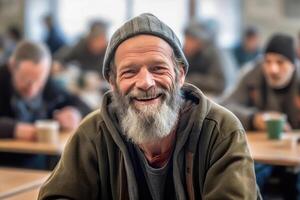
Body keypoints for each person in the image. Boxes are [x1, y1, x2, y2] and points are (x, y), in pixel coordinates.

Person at [39, 13, 259, 199]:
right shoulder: (93, 133)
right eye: (130, 72)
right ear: (112, 83)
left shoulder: (220, 131)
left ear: (180, 74)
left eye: (158, 68)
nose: (145, 82)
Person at [221, 33, 300, 199]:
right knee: (245, 178)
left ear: (293, 65)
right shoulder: (253, 74)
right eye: (268, 61)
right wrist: (254, 118)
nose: (272, 69)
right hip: (260, 152)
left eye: (280, 62)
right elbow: (225, 106)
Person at [0, 40, 91, 167]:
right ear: (11, 66)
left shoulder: (49, 86)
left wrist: (74, 113)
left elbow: (81, 104)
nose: (32, 89)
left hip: (39, 161)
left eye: (39, 81)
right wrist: (12, 129)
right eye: (25, 81)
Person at [183, 19, 232, 96]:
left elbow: (220, 83)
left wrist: (193, 80)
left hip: (215, 97)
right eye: (186, 39)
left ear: (201, 40)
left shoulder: (214, 53)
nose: (186, 43)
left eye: (190, 39)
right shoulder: (186, 52)